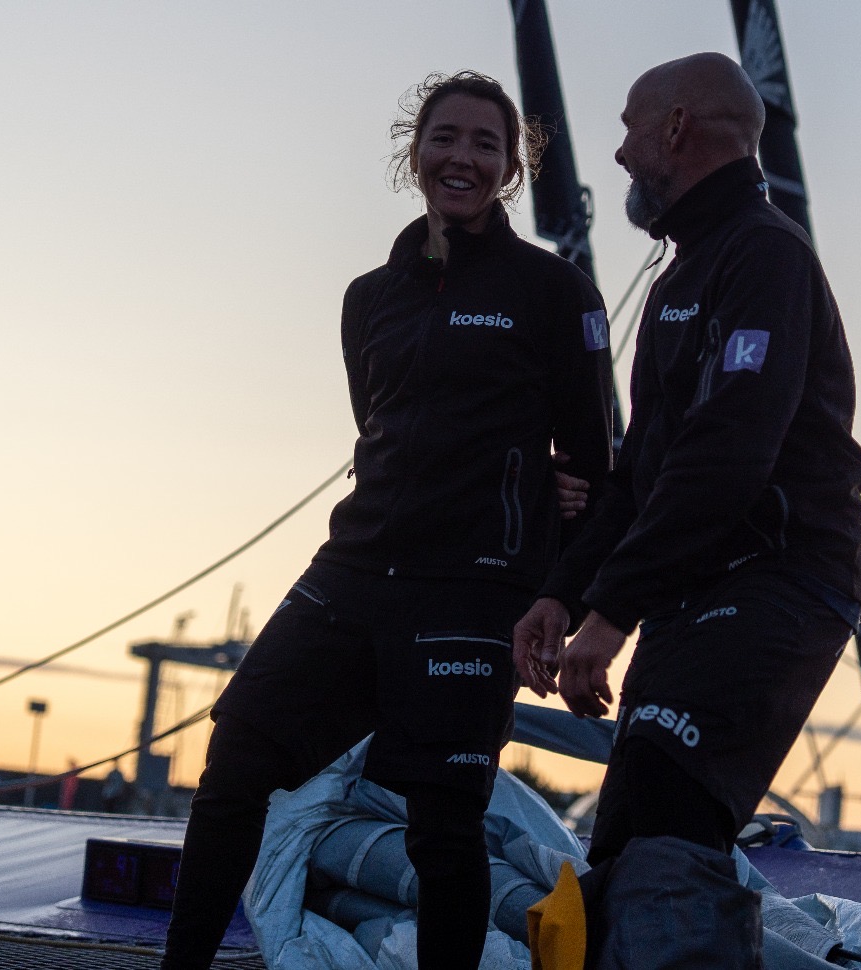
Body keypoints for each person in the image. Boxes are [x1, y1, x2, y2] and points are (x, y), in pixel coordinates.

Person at [161, 71, 614, 970]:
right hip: (356, 571)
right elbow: (381, 429)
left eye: (488, 144)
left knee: (444, 828)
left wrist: (560, 590)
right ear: (415, 153)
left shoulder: (555, 292)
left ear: (511, 169)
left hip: (475, 589)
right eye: (447, 138)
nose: (464, 158)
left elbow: (597, 469)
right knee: (236, 762)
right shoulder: (369, 297)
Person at [513, 52, 861, 961]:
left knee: (665, 812)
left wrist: (612, 612)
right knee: (633, 823)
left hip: (783, 580)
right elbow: (641, 474)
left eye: (631, 126)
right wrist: (565, 591)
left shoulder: (766, 257)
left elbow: (729, 453)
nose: (621, 152)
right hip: (698, 589)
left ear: (677, 126)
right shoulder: (680, 281)